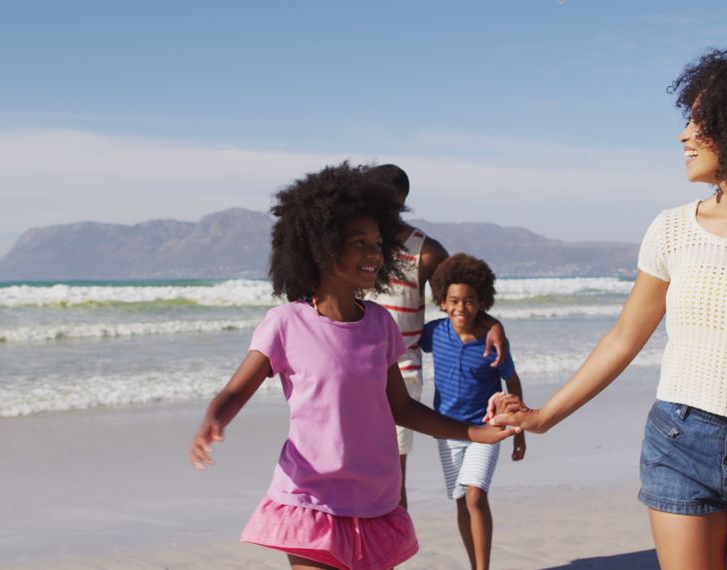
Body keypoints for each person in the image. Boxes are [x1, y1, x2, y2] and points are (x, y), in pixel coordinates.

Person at [488, 48, 727, 570]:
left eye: (699, 123)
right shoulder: (671, 229)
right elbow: (623, 339)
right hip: (679, 442)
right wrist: (544, 417)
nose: (684, 136)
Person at [188, 162, 515, 570]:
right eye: (359, 242)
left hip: (376, 499)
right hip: (311, 497)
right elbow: (236, 390)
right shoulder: (286, 323)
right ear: (322, 247)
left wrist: (476, 433)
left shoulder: (379, 323)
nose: (374, 253)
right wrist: (214, 417)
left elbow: (402, 408)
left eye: (378, 243)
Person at [367, 164, 508, 510]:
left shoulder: (425, 252)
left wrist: (492, 324)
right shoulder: (359, 245)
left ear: (401, 201)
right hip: (351, 371)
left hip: (401, 372)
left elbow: (456, 299)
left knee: (392, 475)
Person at [419, 253, 525, 570]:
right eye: (453, 301)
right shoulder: (435, 334)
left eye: (469, 301)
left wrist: (520, 432)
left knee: (476, 495)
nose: (460, 308)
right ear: (441, 301)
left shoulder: (493, 343)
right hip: (447, 431)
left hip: (487, 429)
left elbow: (512, 380)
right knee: (462, 500)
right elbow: (404, 336)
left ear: (481, 302)